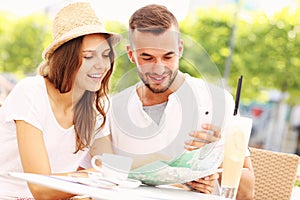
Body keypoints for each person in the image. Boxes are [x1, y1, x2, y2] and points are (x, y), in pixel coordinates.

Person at [89, 4, 254, 199]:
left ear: (180, 49)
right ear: (131, 54)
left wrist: (213, 165)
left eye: (168, 56)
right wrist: (178, 180)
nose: (159, 69)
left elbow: (247, 191)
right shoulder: (112, 108)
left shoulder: (217, 101)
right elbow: (102, 176)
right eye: (147, 57)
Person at [0, 2, 120, 199]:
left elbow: (113, 171)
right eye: (89, 56)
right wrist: (93, 175)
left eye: (106, 55)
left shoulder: (95, 109)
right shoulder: (31, 92)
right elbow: (41, 189)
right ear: (66, 58)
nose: (101, 65)